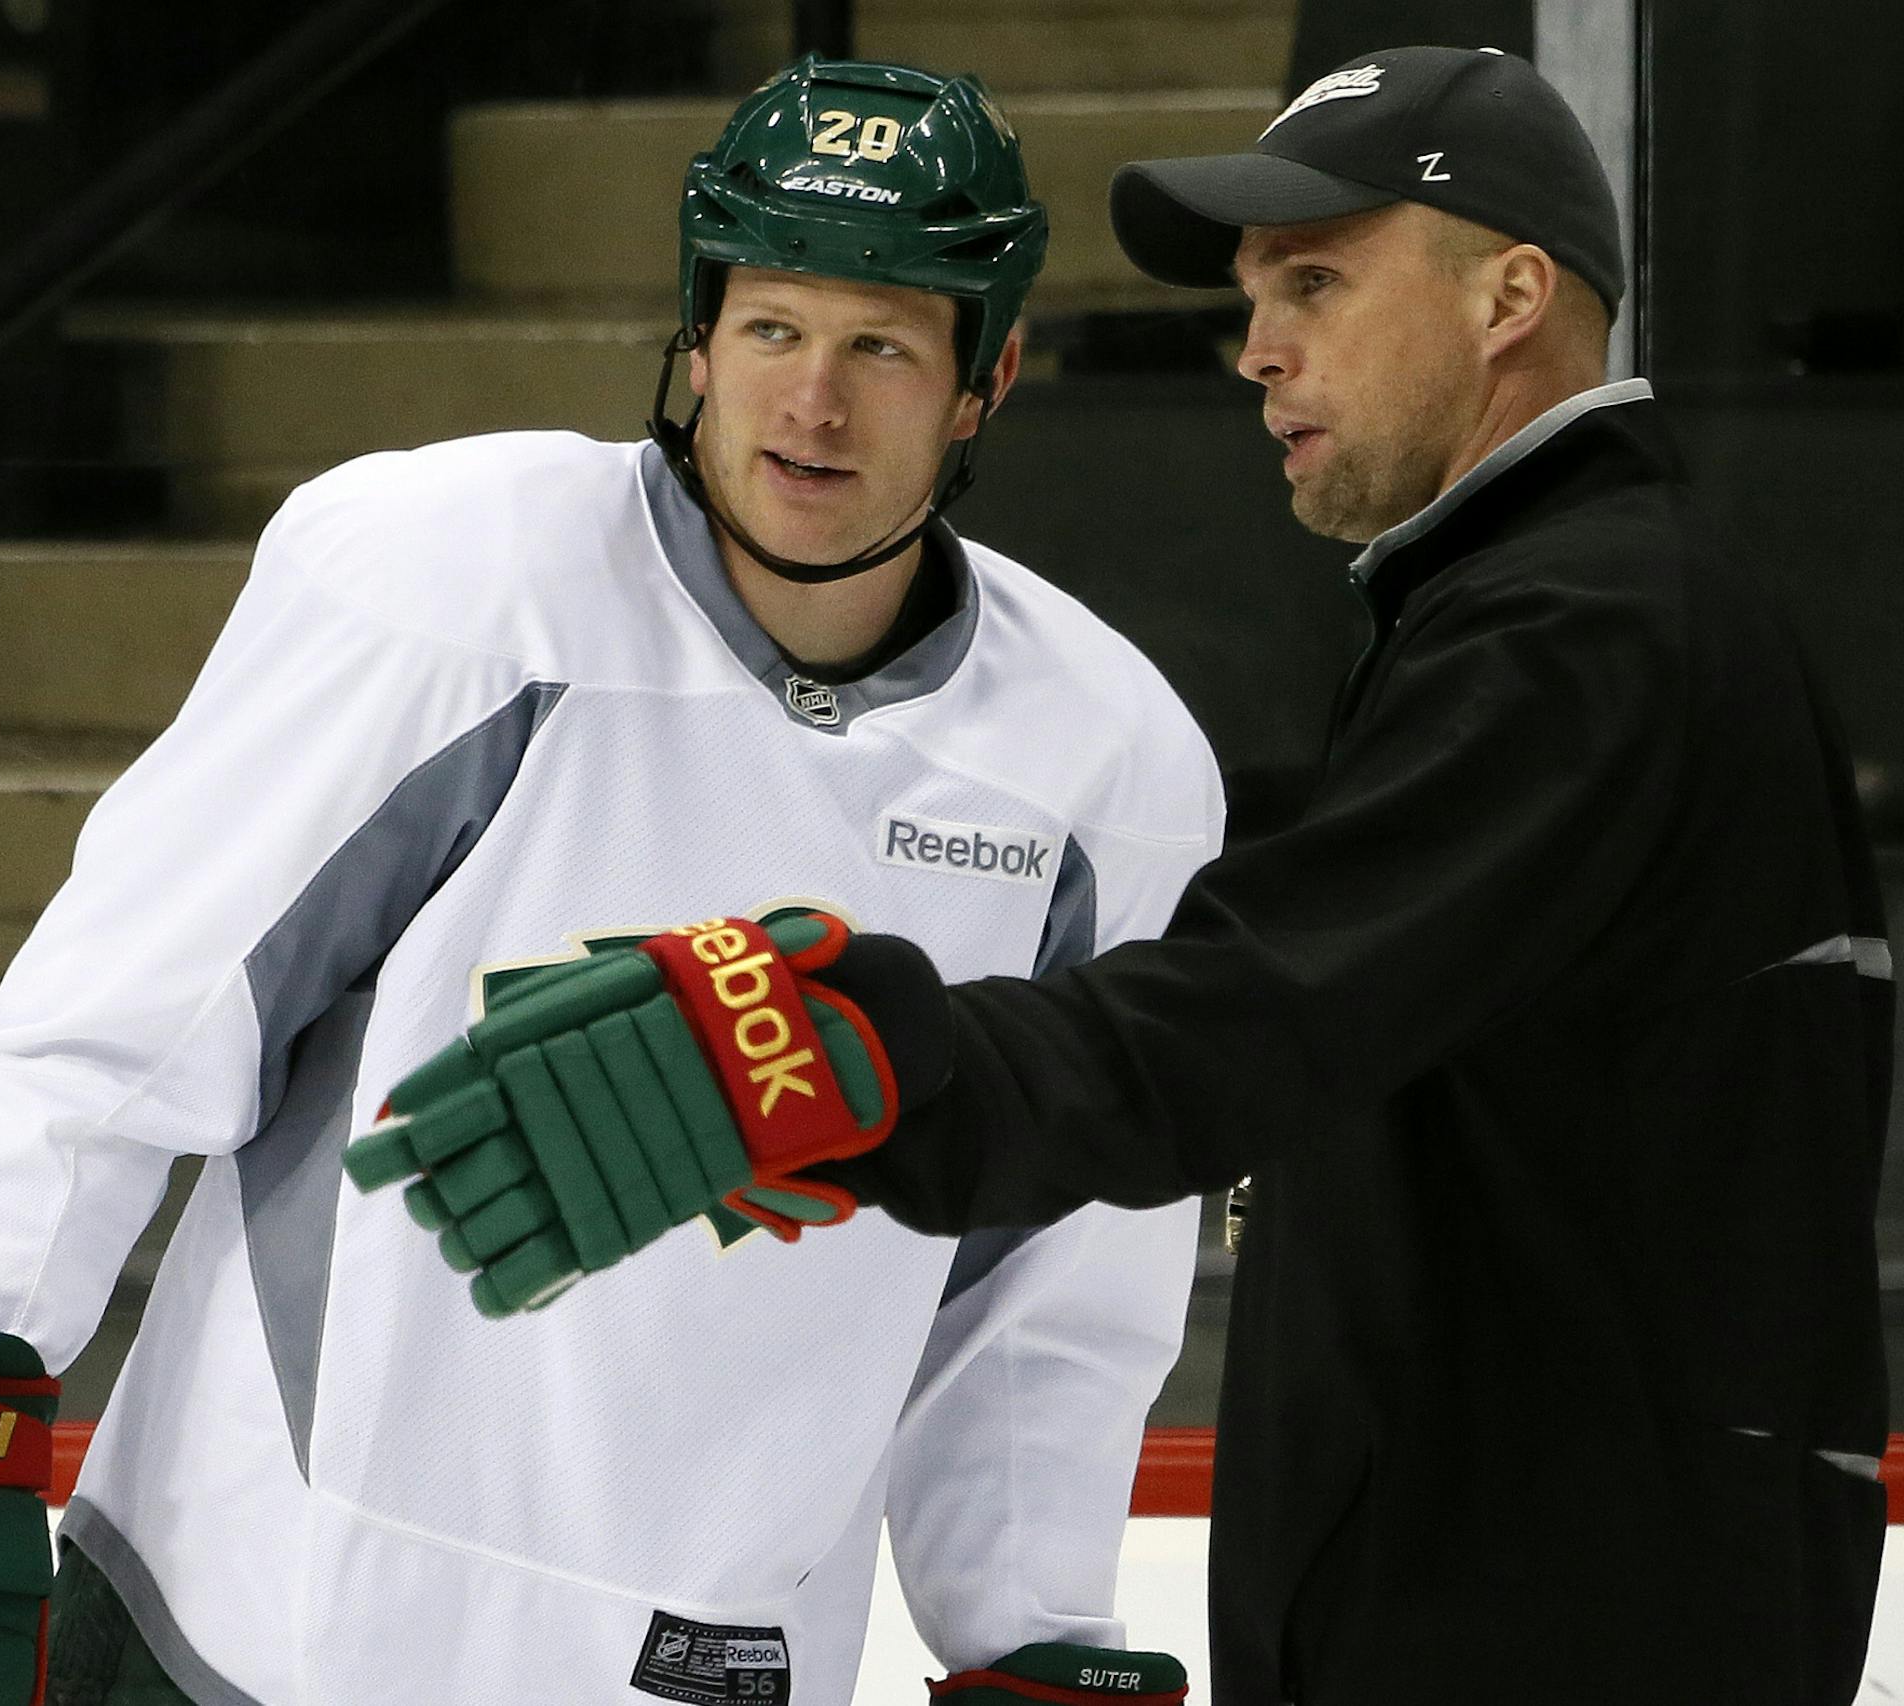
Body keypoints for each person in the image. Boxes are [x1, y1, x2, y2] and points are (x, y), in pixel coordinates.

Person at [350, 46, 1896, 1706]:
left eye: (1313, 283)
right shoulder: (1560, 604)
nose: (1257, 351)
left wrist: (869, 1060)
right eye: (1253, 295)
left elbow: (1250, 1013)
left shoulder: (1588, 631)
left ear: (1509, 295)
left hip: (1573, 1628)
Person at [0, 55, 1216, 1706]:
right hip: (251, 1628)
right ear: (697, 332)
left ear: (990, 378)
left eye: (882, 346)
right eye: (771, 329)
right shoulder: (455, 584)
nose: (812, 402)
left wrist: (1027, 1628)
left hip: (712, 1666)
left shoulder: (1105, 768)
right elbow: (131, 1014)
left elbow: (1055, 1286)